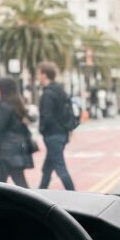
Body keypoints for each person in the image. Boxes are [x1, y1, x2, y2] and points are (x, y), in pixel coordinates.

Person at [36, 61, 76, 191]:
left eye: (39, 73)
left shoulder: (48, 94)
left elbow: (46, 116)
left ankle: (73, 194)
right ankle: (41, 192)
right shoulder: (61, 91)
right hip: (62, 133)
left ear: (44, 75)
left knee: (60, 167)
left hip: (53, 135)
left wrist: (42, 129)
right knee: (47, 168)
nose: (37, 76)